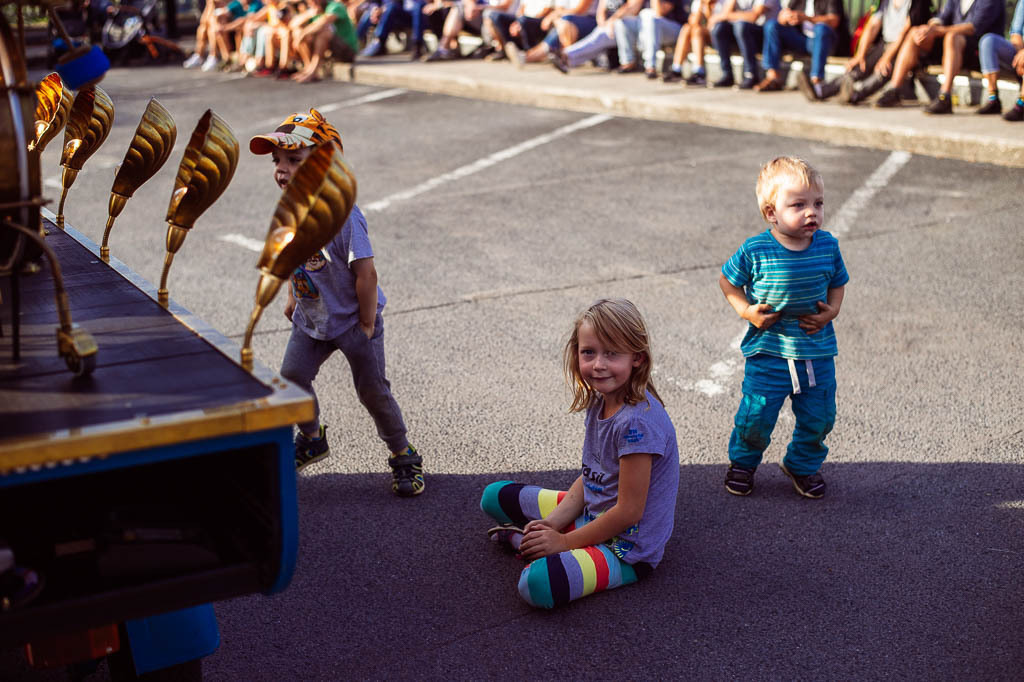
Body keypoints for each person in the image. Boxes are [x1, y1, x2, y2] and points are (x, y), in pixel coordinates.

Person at [248, 109, 426, 498]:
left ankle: (402, 452)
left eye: (294, 160)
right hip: (312, 320)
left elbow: (366, 274)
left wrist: (366, 322)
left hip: (351, 321)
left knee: (373, 391)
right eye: (278, 161)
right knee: (291, 377)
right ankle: (312, 436)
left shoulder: (344, 216)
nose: (282, 170)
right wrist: (292, 295)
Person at [480, 299, 680, 608]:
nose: (598, 364)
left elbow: (629, 512)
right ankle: (538, 540)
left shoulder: (637, 423)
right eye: (589, 352)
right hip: (594, 511)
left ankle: (526, 542)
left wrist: (561, 542)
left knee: (536, 585)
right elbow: (592, 476)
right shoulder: (601, 399)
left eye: (612, 353)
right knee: (494, 496)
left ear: (637, 358)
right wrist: (555, 523)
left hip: (626, 548)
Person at [719, 157, 848, 499]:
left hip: (815, 349)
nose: (812, 213)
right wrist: (747, 310)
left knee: (819, 417)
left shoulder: (827, 246)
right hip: (769, 350)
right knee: (756, 415)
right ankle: (743, 463)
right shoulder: (756, 249)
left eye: (817, 204)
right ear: (771, 212)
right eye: (799, 205)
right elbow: (728, 282)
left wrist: (831, 311)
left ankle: (801, 465)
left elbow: (838, 282)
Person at [873, 0, 1004, 112]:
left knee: (952, 37)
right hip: (951, 47)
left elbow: (973, 28)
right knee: (915, 32)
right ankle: (895, 89)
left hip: (978, 52)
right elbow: (941, 17)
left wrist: (937, 31)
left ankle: (945, 96)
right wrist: (929, 28)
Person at [825, 0, 931, 104]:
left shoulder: (918, 3)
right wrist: (860, 55)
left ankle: (856, 94)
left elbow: (905, 32)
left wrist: (886, 58)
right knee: (860, 66)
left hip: (904, 46)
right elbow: (872, 26)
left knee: (884, 70)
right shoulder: (883, 2)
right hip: (885, 43)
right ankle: (823, 90)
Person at [753, 0, 843, 93]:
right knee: (772, 25)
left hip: (824, 42)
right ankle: (773, 78)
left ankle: (817, 83)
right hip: (803, 41)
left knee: (820, 28)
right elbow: (781, 18)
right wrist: (785, 18)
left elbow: (834, 21)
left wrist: (807, 18)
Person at [549, 0, 641, 72]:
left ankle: (566, 56)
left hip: (627, 25)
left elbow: (633, 7)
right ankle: (567, 59)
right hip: (608, 27)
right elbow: (601, 12)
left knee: (601, 36)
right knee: (600, 35)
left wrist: (613, 20)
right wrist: (603, 24)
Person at [706, 0, 779, 88]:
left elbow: (753, 17)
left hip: (766, 34)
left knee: (741, 26)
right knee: (719, 29)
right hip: (742, 32)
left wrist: (725, 15)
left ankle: (750, 74)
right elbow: (724, 13)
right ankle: (727, 74)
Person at [615, 0, 690, 78]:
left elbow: (659, 12)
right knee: (622, 22)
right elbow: (632, 10)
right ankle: (628, 61)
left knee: (649, 17)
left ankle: (651, 66)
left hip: (675, 29)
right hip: (647, 27)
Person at [975, 0, 1024, 119]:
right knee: (988, 41)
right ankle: (993, 99)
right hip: (1019, 53)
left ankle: (1022, 104)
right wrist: (1020, 53)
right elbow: (1015, 33)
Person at [291, 0, 358, 82]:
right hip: (330, 51)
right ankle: (308, 69)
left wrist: (303, 34)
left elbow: (323, 22)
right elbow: (292, 24)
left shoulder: (336, 6)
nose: (312, 2)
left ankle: (313, 72)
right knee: (297, 31)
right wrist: (309, 14)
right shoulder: (314, 10)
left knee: (324, 32)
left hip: (347, 51)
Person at [662, 0, 713, 83]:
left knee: (697, 31)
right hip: (700, 31)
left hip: (718, 33)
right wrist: (701, 5)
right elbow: (693, 21)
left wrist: (707, 6)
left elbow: (713, 22)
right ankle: (677, 69)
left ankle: (699, 72)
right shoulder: (698, 2)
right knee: (687, 28)